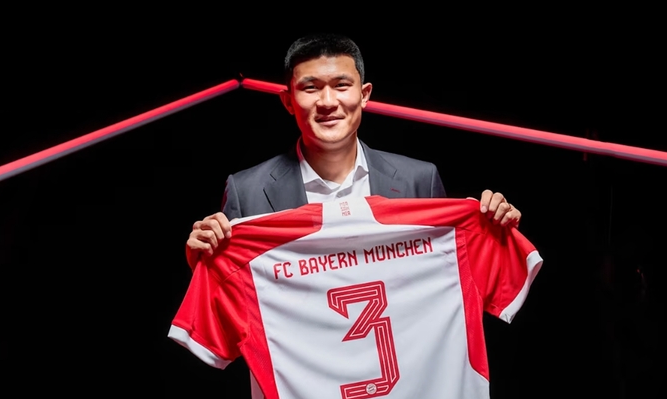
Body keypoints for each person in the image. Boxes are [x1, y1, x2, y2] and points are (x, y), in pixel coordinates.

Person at [186, 32, 522, 270]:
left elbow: (452, 276)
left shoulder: (419, 180)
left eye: (341, 86)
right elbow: (230, 296)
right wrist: (203, 261)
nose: (327, 102)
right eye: (310, 88)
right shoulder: (247, 191)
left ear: (364, 95)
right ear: (288, 101)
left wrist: (495, 234)